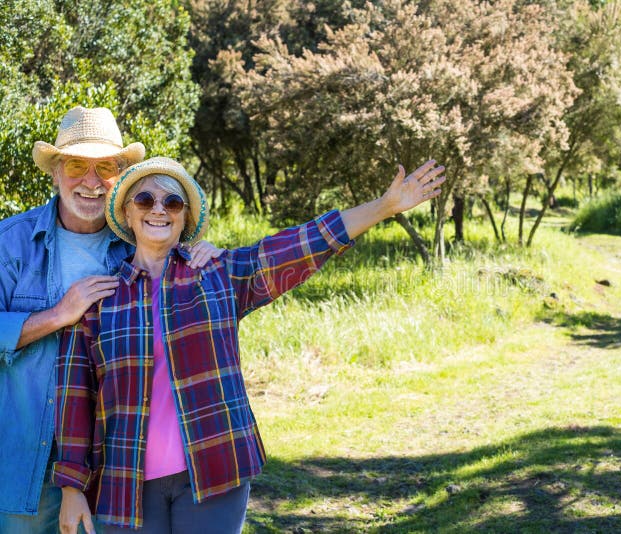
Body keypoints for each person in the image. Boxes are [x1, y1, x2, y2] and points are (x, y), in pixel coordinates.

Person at [54, 156, 445, 533]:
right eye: (145, 199)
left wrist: (384, 206)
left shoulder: (219, 274)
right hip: (127, 484)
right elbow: (76, 399)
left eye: (172, 201)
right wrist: (72, 487)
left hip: (215, 472)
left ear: (186, 218)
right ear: (126, 213)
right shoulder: (99, 299)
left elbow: (300, 245)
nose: (159, 209)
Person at [0, 107, 221, 534]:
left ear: (121, 175)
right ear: (56, 172)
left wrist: (202, 252)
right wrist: (57, 316)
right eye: (76, 165)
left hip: (112, 469)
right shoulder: (11, 243)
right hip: (22, 457)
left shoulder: (138, 247)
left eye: (104, 167)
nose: (89, 180)